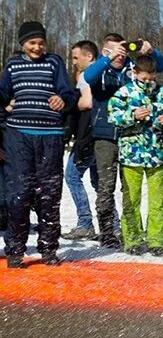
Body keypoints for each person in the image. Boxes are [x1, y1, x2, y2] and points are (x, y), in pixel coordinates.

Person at [0, 21, 79, 268]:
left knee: (49, 193)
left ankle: (48, 249)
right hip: (18, 135)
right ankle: (14, 249)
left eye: (41, 43)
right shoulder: (13, 65)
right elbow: (1, 96)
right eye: (32, 43)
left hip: (50, 135)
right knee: (19, 193)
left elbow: (69, 94)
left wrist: (62, 99)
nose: (37, 47)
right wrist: (4, 110)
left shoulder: (54, 62)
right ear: (23, 44)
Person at [84, 32, 163, 249]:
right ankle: (106, 232)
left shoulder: (133, 71)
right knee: (105, 187)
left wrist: (150, 50)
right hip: (106, 135)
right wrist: (108, 58)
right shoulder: (102, 71)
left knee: (129, 191)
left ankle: (130, 233)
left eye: (123, 50)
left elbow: (158, 66)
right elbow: (88, 77)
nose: (120, 54)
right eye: (115, 50)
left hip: (136, 142)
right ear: (105, 51)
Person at [106, 54, 163, 256]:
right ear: (135, 73)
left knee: (158, 200)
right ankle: (132, 240)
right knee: (131, 198)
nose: (148, 82)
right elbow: (112, 116)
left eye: (151, 79)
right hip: (131, 155)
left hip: (157, 154)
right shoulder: (124, 93)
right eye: (144, 79)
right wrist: (131, 116)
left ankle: (156, 240)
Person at [62, 40, 99, 241]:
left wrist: (70, 102)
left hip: (88, 137)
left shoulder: (89, 76)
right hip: (94, 136)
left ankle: (85, 222)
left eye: (77, 57)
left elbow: (88, 102)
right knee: (99, 182)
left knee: (72, 176)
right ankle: (113, 223)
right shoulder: (101, 74)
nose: (74, 61)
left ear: (89, 56)